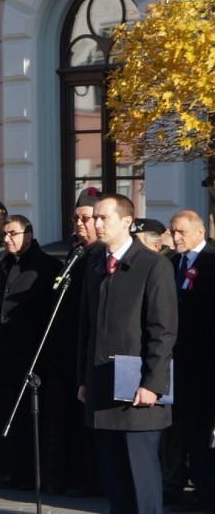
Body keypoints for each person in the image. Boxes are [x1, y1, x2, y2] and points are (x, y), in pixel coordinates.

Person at [77, 194, 178, 513]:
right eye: (94, 218)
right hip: (103, 385)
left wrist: (153, 384)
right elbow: (86, 327)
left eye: (103, 217)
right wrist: (85, 378)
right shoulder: (94, 263)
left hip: (138, 391)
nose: (95, 223)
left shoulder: (153, 265)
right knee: (114, 479)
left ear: (126, 222)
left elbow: (162, 330)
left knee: (142, 479)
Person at [41, 186, 104, 497]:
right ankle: (61, 477)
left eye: (86, 218)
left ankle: (85, 480)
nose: (80, 224)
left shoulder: (100, 255)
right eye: (76, 218)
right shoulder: (75, 251)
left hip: (84, 352)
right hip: (61, 350)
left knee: (82, 425)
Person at [0, 215, 61, 489]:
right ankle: (13, 469)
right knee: (8, 412)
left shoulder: (46, 266)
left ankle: (33, 472)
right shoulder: (3, 262)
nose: (7, 239)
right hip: (6, 352)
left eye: (13, 234)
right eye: (5, 234)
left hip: (32, 353)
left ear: (29, 235)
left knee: (31, 416)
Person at [168, 209, 215, 512]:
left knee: (201, 433)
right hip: (177, 365)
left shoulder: (212, 262)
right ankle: (177, 486)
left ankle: (206, 491)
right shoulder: (171, 263)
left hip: (206, 365)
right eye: (173, 231)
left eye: (181, 232)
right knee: (179, 430)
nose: (175, 237)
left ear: (199, 232)